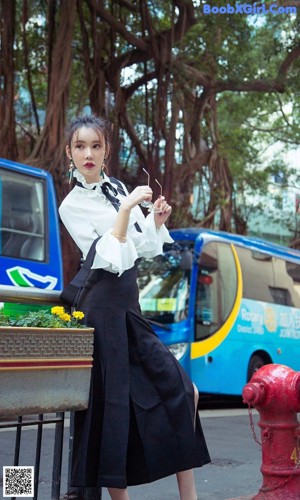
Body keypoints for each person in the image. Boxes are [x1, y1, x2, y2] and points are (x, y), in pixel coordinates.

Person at [59, 114, 210, 500]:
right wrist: (126, 211)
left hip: (129, 306)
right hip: (102, 308)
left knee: (184, 391)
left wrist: (156, 222)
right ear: (69, 153)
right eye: (80, 146)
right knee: (113, 413)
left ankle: (189, 498)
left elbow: (140, 248)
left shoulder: (117, 189)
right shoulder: (71, 205)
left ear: (107, 150)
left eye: (95, 145)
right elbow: (109, 258)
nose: (88, 153)